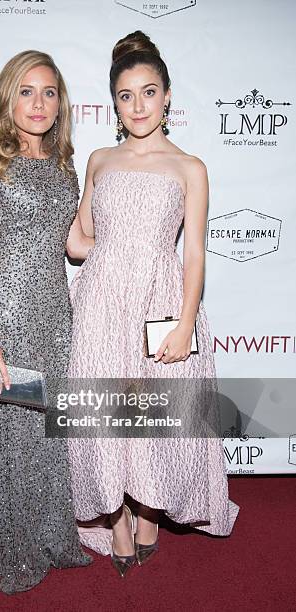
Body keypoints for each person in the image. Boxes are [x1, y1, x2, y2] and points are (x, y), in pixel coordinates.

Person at [66, 31, 239, 577]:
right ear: (113, 102)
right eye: (125, 94)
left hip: (162, 299)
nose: (137, 105)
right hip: (101, 301)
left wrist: (185, 322)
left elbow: (194, 256)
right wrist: (115, 255)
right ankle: (114, 521)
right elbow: (78, 239)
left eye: (148, 91)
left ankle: (148, 512)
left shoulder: (190, 167)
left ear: (167, 96)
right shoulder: (99, 159)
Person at [0, 50, 92, 594]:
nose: (38, 103)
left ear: (60, 103)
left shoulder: (63, 166)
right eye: (26, 91)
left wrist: (132, 231)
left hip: (55, 314)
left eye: (49, 92)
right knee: (10, 437)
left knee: (48, 434)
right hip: (9, 316)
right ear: (7, 96)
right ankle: (13, 542)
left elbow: (75, 246)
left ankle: (51, 532)